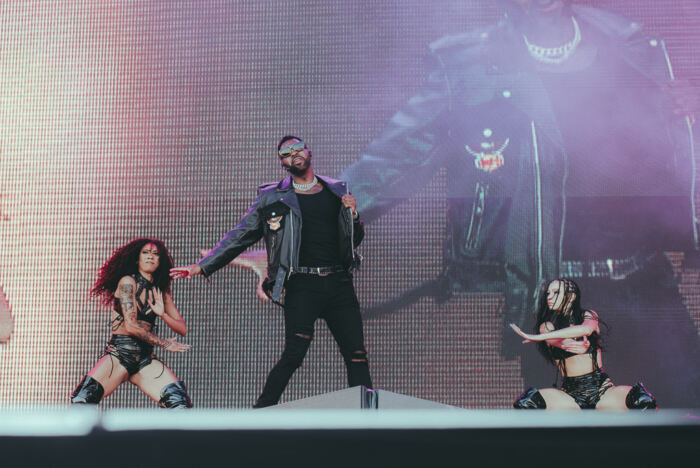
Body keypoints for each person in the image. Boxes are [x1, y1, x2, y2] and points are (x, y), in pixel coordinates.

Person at [337, 0, 700, 406]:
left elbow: (676, 151)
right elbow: (393, 161)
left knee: (683, 428)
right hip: (558, 299)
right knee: (582, 447)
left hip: (647, 284)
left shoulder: (632, 44)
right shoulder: (469, 64)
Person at [170, 136, 373, 408]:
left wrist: (354, 216)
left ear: (308, 152)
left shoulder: (336, 191)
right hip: (302, 283)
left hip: (338, 283)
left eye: (297, 148)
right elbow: (239, 236)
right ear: (282, 163)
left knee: (357, 354)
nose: (293, 154)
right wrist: (202, 266)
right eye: (286, 153)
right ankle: (261, 412)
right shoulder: (272, 197)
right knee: (294, 354)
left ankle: (368, 419)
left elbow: (352, 239)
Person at [70, 238, 193, 408]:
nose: (150, 256)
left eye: (155, 254)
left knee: (180, 404)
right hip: (120, 355)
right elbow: (131, 326)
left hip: (145, 359)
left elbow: (182, 329)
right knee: (82, 401)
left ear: (160, 261)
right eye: (146, 252)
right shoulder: (127, 282)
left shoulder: (160, 291)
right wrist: (164, 343)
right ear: (137, 258)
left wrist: (163, 314)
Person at [511, 278, 656, 410]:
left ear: (572, 295)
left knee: (643, 400)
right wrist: (546, 338)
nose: (549, 296)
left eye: (555, 292)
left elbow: (586, 328)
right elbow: (563, 342)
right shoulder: (547, 326)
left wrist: (537, 337)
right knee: (527, 403)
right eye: (548, 293)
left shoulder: (589, 315)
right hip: (570, 395)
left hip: (602, 389)